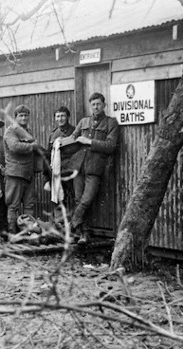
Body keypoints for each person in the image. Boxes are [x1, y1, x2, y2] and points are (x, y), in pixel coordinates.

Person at [71, 92, 119, 245]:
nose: (96, 107)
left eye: (99, 104)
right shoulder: (84, 121)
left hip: (95, 168)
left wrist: (89, 142)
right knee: (78, 199)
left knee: (86, 200)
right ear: (90, 106)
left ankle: (73, 223)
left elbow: (110, 146)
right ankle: (84, 233)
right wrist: (63, 141)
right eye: (93, 104)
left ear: (104, 105)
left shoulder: (111, 123)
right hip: (79, 167)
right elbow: (73, 138)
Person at [3, 104, 41, 235]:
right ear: (15, 117)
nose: (24, 118)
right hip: (15, 174)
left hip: (28, 174)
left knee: (29, 205)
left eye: (26, 115)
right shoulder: (11, 131)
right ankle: (12, 233)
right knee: (13, 206)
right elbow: (14, 146)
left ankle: (28, 233)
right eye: (21, 115)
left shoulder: (27, 132)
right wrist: (32, 146)